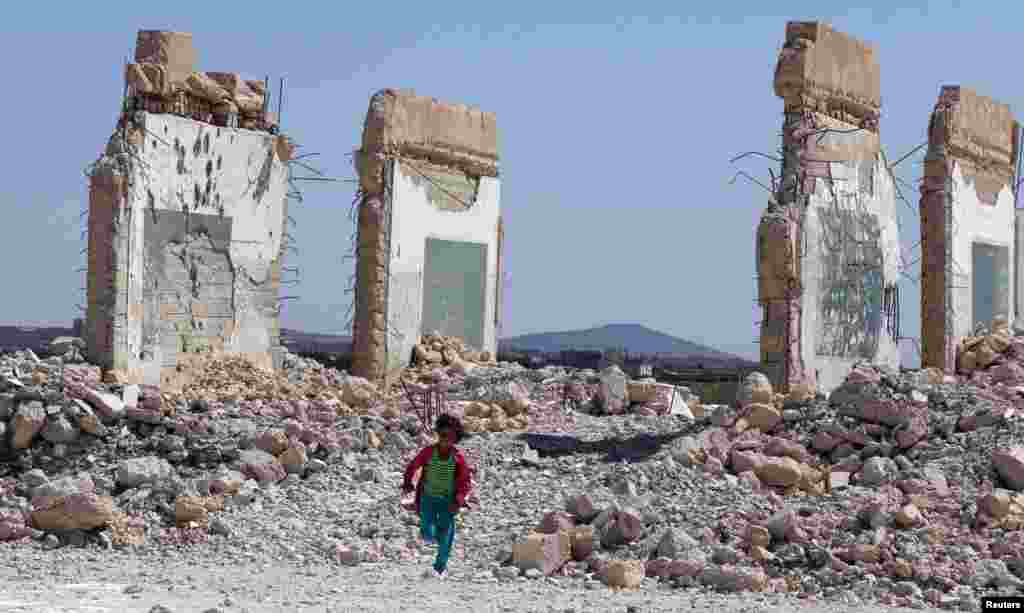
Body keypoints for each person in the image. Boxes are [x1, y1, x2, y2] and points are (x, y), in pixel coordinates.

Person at [401, 413, 472, 579]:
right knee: (427, 532)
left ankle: (440, 567)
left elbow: (465, 482)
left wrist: (459, 500)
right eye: (442, 435)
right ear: (438, 434)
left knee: (446, 533)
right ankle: (438, 538)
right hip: (428, 498)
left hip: (448, 500)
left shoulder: (458, 458)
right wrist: (407, 483)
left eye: (450, 436)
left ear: (455, 438)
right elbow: (413, 466)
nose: (445, 439)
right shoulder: (428, 452)